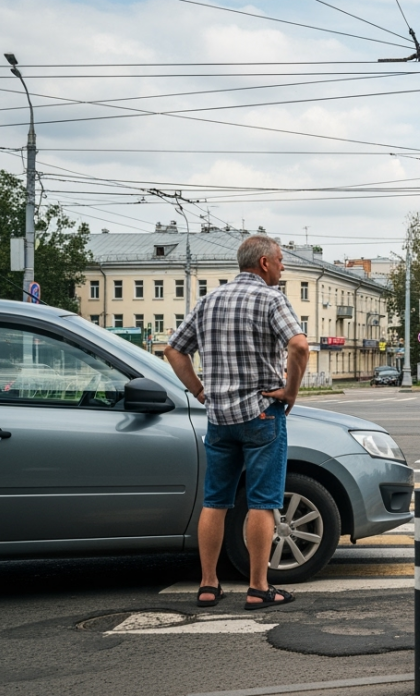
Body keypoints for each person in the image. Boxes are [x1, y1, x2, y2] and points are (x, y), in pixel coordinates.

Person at [165, 234, 309, 610]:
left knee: (215, 501)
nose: (282, 267)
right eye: (280, 260)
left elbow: (173, 350)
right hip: (261, 414)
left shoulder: (209, 300)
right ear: (264, 263)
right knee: (262, 502)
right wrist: (291, 391)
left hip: (219, 417)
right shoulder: (272, 299)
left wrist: (199, 390)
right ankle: (258, 588)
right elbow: (299, 345)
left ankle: (208, 585)